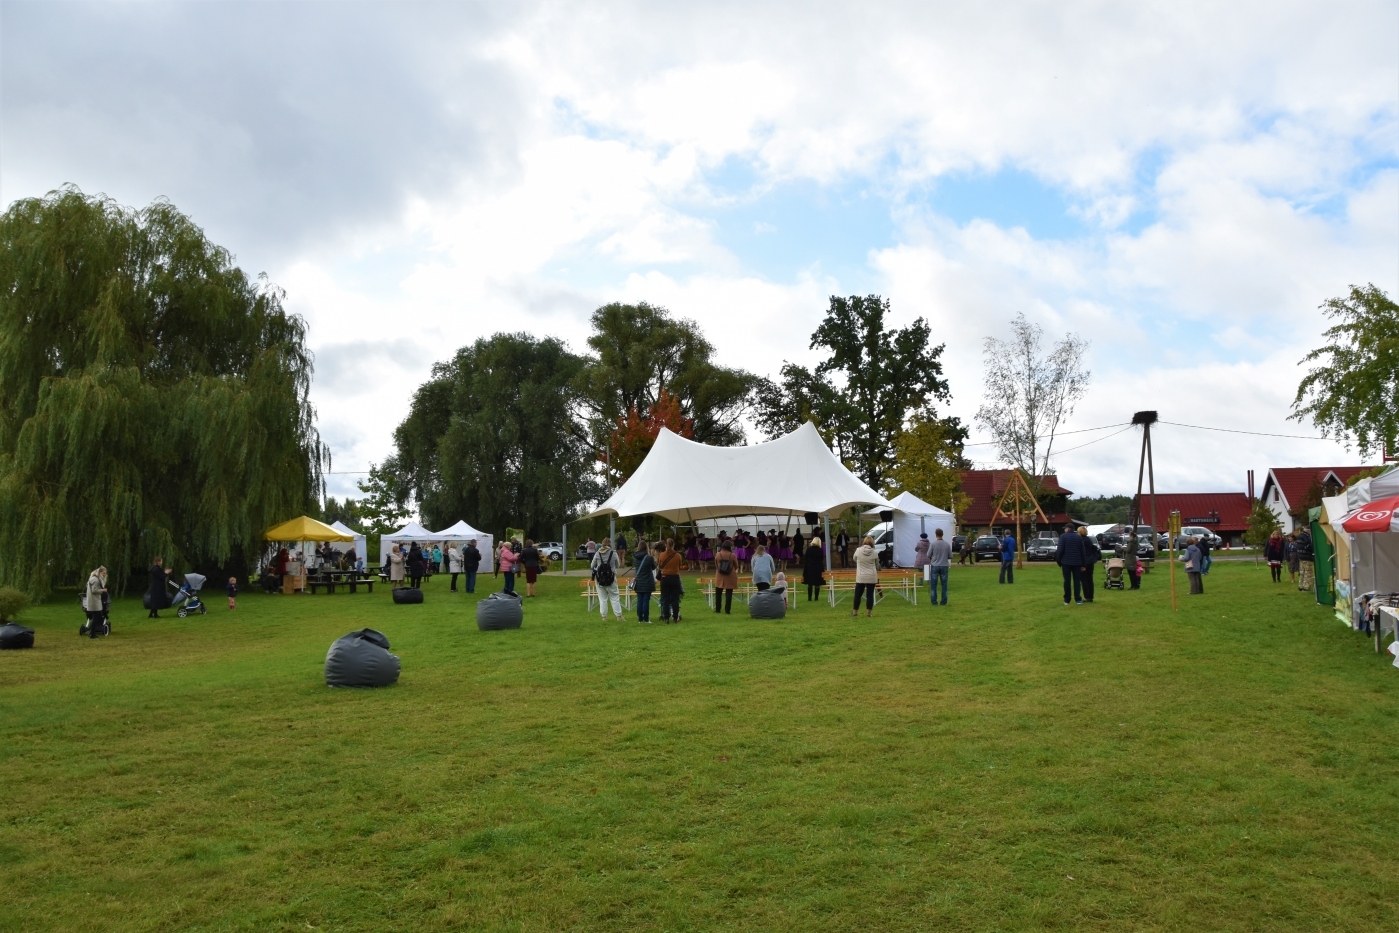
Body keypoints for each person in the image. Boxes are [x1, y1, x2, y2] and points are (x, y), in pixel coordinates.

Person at [591, 537, 624, 621]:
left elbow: (592, 566)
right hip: (611, 578)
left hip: (599, 579)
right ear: (610, 544)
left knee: (602, 599)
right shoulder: (613, 553)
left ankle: (604, 617)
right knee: (614, 597)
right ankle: (619, 616)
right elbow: (618, 565)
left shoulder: (598, 553)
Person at [1054, 524, 1086, 605]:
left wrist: (1059, 561)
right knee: (1077, 581)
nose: (1064, 530)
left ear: (1067, 529)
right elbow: (1083, 551)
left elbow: (1060, 550)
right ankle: (1078, 599)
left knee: (1067, 581)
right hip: (1077, 562)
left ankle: (1067, 599)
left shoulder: (1063, 537)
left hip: (1066, 562)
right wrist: (1083, 564)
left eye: (1065, 528)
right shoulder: (1078, 537)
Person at [657, 541, 684, 623]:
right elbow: (679, 566)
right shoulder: (678, 555)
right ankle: (675, 617)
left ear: (666, 545)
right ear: (674, 545)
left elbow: (660, 564)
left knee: (665, 598)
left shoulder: (662, 555)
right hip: (675, 577)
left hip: (665, 577)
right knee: (675, 598)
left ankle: (666, 617)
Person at [852, 535, 879, 617]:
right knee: (870, 595)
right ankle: (868, 613)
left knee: (858, 595)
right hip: (871, 575)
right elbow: (877, 563)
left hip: (861, 576)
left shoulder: (858, 550)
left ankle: (855, 612)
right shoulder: (874, 552)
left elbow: (854, 559)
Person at [632, 543, 657, 623]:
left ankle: (640, 618)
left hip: (639, 581)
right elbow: (653, 567)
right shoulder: (649, 558)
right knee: (646, 600)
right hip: (647, 581)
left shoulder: (635, 557)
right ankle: (646, 618)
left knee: (640, 600)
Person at [928, 528, 952, 605]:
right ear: (942, 534)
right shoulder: (947, 544)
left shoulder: (933, 544)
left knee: (933, 585)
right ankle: (943, 601)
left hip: (935, 565)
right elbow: (950, 556)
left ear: (936, 534)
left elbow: (928, 554)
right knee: (944, 585)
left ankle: (934, 601)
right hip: (944, 565)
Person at [714, 538, 738, 614]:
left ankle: (718, 609)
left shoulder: (718, 554)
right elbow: (736, 566)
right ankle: (727, 610)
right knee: (729, 593)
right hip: (730, 575)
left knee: (718, 593)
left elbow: (716, 564)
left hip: (720, 575)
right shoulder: (732, 555)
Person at [1078, 526, 1100, 603]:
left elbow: (1082, 553)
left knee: (1084, 580)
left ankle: (1087, 596)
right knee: (1090, 579)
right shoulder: (1088, 539)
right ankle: (1090, 596)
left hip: (1084, 562)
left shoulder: (1081, 540)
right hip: (1090, 561)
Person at [85, 566, 107, 636]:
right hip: (95, 601)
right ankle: (92, 633)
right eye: (103, 573)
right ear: (100, 572)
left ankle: (92, 632)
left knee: (95, 616)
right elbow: (94, 590)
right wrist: (103, 590)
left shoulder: (91, 579)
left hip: (92, 600)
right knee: (97, 616)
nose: (104, 575)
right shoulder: (96, 580)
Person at [802, 535, 826, 601]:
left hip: (809, 567)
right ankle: (816, 598)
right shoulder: (820, 550)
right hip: (818, 567)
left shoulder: (809, 549)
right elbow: (822, 558)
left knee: (810, 583)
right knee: (817, 583)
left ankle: (809, 598)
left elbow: (805, 557)